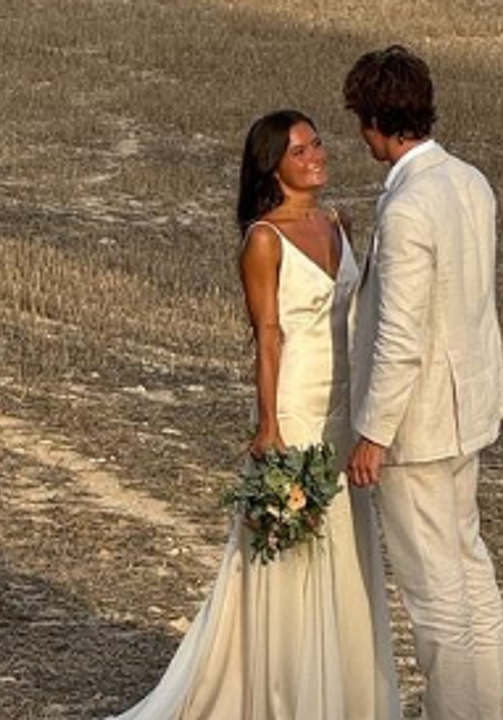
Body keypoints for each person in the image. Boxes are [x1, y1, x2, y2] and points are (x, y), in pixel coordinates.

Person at [108, 110, 399, 720]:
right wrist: (268, 426)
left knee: (347, 551)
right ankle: (282, 695)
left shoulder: (339, 222)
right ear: (273, 165)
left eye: (317, 142)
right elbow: (268, 335)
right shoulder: (263, 240)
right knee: (292, 554)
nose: (316, 155)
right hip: (294, 407)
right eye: (299, 150)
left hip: (343, 411)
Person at [343, 46, 503, 720]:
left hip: (420, 425)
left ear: (380, 122)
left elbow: (401, 337)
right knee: (471, 574)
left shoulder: (410, 206)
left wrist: (372, 434)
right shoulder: (470, 181)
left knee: (436, 593)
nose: (361, 136)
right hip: (468, 408)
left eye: (362, 122)